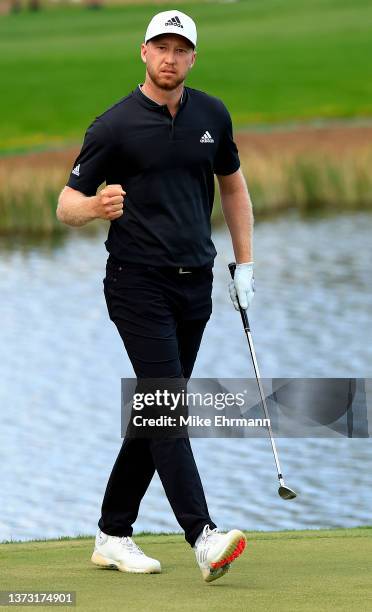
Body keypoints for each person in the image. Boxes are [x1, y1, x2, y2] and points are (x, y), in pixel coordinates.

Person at [57, 9, 254, 583]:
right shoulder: (113, 126)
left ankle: (113, 532)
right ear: (143, 52)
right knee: (170, 405)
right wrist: (95, 207)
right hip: (136, 284)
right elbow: (66, 205)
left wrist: (245, 263)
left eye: (181, 49)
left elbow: (234, 186)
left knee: (155, 409)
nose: (170, 58)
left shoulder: (213, 114)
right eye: (160, 47)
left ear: (193, 57)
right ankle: (204, 535)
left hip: (196, 285)